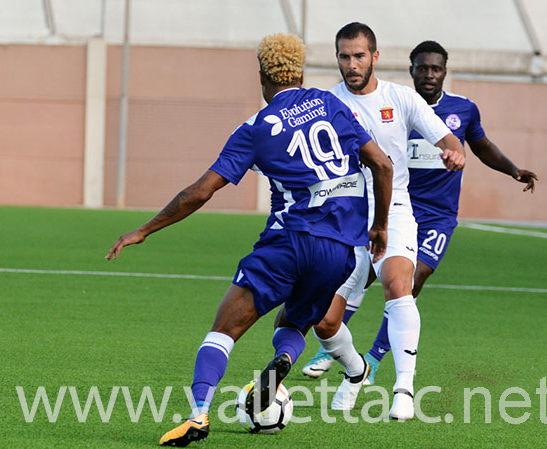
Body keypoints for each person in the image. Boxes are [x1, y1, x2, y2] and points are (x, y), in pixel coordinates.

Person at [105, 33, 393, 446]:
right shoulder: (333, 105)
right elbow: (381, 165)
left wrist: (144, 229)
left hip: (288, 241)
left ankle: (198, 415)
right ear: (300, 72)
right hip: (340, 251)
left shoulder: (255, 129)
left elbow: (200, 192)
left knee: (223, 329)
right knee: (293, 322)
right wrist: (379, 226)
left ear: (261, 74)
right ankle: (283, 361)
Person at [303, 40, 539, 395]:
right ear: (411, 69)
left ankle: (378, 357)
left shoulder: (462, 109)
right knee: (360, 276)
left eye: (436, 69)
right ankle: (331, 347)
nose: (429, 75)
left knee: (410, 280)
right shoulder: (399, 107)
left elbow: (481, 145)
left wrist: (512, 170)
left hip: (438, 217)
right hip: (396, 206)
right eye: (422, 68)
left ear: (445, 71)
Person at [287, 23, 466, 421]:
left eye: (359, 56)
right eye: (344, 57)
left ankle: (404, 390)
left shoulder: (400, 98)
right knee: (325, 320)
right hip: (345, 217)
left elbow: (446, 139)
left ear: (375, 57)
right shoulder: (325, 103)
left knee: (399, 284)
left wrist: (455, 153)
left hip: (395, 210)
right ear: (336, 58)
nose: (352, 64)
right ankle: (357, 370)